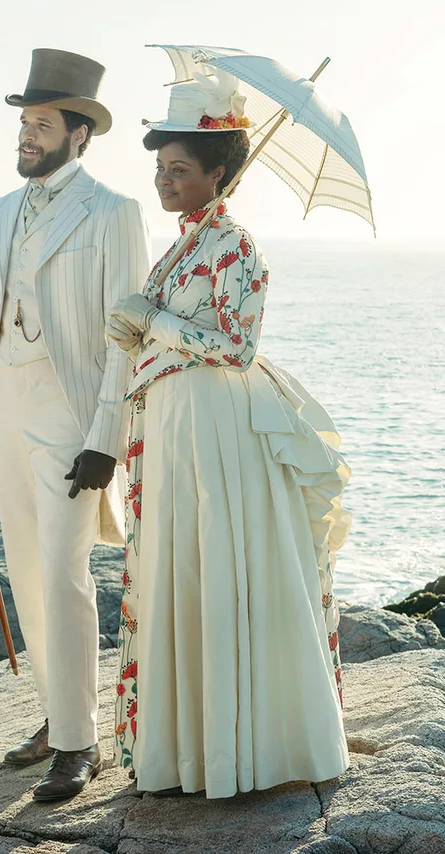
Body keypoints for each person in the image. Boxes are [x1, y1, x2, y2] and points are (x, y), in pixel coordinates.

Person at [105, 72, 351, 798]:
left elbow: (237, 347)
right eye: (160, 167)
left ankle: (236, 750)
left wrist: (156, 322)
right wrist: (137, 328)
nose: (164, 179)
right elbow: (181, 335)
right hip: (177, 424)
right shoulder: (185, 245)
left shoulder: (234, 246)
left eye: (179, 168)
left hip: (215, 428)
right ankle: (188, 748)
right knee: (183, 568)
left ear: (218, 173)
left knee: (214, 564)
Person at [0, 48, 151, 802]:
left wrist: (107, 437)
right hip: (2, 412)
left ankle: (79, 743)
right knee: (27, 577)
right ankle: (56, 715)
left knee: (65, 575)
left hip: (72, 420)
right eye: (24, 123)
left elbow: (126, 337)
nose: (27, 135)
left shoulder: (113, 212)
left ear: (80, 134)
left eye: (42, 125)